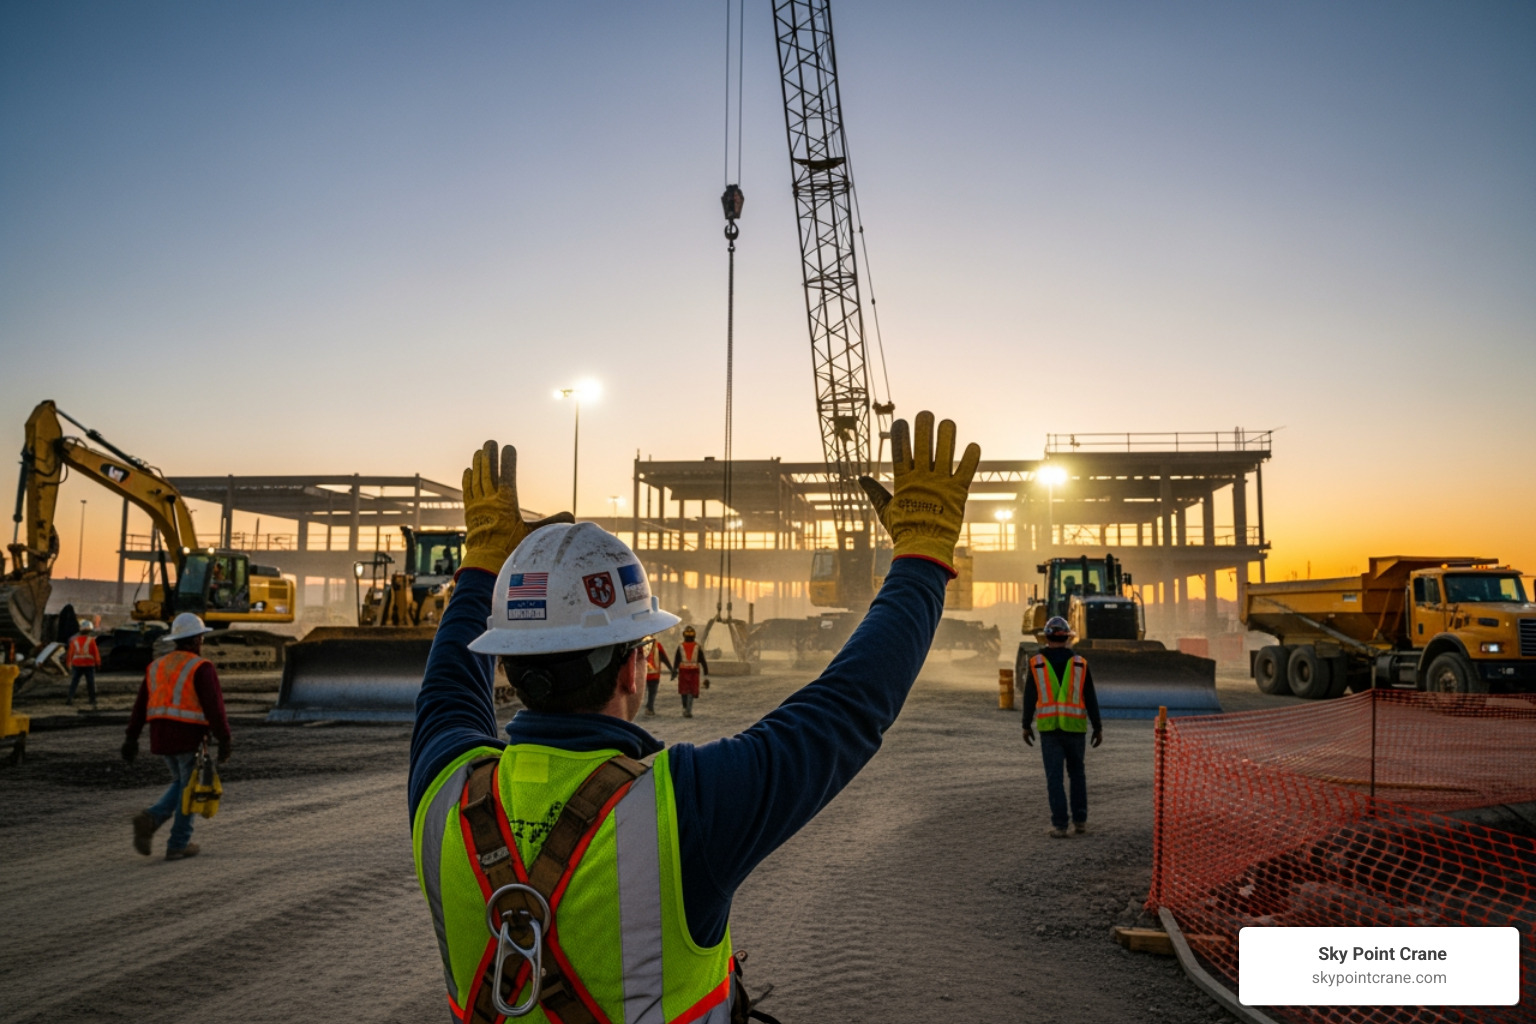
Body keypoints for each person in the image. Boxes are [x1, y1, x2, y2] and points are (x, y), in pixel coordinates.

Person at [409, 413, 979, 1023]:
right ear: (635, 669)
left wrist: (479, 570)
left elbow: (447, 687)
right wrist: (920, 558)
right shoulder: (685, 807)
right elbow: (847, 707)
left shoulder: (444, 790)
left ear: (505, 663)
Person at [121, 612, 232, 861]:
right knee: (190, 790)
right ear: (195, 641)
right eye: (201, 638)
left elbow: (140, 705)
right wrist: (224, 739)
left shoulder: (156, 666)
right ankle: (176, 842)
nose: (202, 643)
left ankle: (151, 820)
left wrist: (131, 738)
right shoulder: (201, 667)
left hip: (160, 737)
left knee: (181, 783)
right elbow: (215, 707)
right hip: (188, 736)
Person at [1020, 616, 1103, 838]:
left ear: (1046, 637)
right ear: (1068, 637)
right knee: (1077, 775)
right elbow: (1090, 697)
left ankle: (1060, 825)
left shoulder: (1036, 663)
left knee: (1054, 778)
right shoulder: (1080, 664)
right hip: (1075, 730)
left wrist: (1026, 725)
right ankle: (1080, 822)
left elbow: (1030, 696)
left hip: (1049, 731)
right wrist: (1097, 726)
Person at [670, 624, 710, 717]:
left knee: (684, 691)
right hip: (694, 672)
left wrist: (674, 671)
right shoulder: (697, 647)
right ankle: (688, 710)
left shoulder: (680, 646)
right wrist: (706, 675)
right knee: (691, 691)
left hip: (684, 671)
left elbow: (676, 661)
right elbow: (703, 662)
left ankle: (685, 709)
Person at [65, 623, 101, 708]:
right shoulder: (91, 640)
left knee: (74, 682)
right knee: (90, 683)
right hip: (89, 664)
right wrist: (98, 663)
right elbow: (95, 653)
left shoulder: (74, 640)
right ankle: (92, 699)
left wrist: (68, 663)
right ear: (89, 631)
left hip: (77, 664)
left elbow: (70, 653)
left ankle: (69, 699)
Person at [642, 637, 672, 717]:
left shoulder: (641, 646)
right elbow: (664, 658)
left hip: (643, 675)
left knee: (644, 693)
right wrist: (671, 669)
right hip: (654, 674)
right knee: (652, 693)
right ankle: (650, 708)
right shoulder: (658, 645)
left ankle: (648, 706)